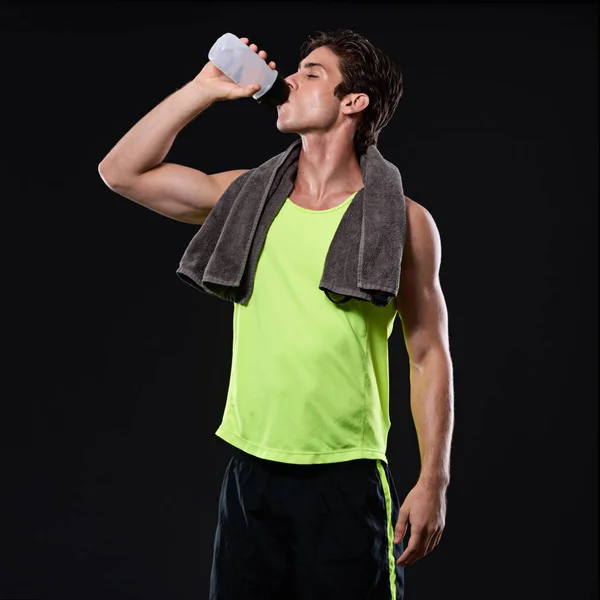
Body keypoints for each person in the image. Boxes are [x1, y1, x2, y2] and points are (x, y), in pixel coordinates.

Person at [99, 28, 454, 600]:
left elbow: (427, 352)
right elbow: (122, 172)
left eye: (311, 73)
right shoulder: (247, 197)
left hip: (347, 476)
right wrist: (202, 88)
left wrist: (433, 479)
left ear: (353, 102)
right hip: (251, 471)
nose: (287, 78)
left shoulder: (406, 222)